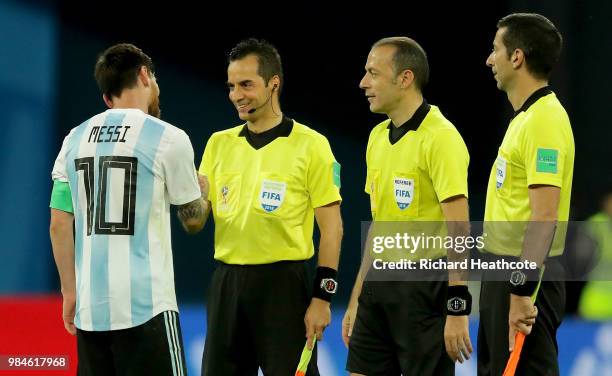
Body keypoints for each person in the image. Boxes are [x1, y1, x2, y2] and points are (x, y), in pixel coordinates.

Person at [49, 43, 207, 376]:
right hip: (147, 310)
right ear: (145, 75)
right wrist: (202, 194)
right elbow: (193, 220)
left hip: (91, 313)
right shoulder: (169, 137)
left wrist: (70, 292)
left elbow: (59, 224)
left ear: (107, 98)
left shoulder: (73, 140)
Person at [198, 38, 343, 376]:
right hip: (226, 284)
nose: (236, 94)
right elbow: (195, 222)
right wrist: (187, 196)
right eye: (232, 86)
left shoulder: (312, 145)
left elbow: (333, 228)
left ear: (273, 83)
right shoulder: (218, 144)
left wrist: (322, 299)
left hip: (284, 287)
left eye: (246, 84)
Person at [343, 36, 472, 376]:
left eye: (373, 73)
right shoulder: (376, 138)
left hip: (425, 288)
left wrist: (458, 309)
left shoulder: (441, 137)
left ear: (405, 78)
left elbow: (459, 228)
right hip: (378, 285)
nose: (363, 83)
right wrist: (357, 296)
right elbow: (378, 227)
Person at [478, 13, 575, 375]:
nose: (490, 59)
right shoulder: (524, 118)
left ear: (517, 57)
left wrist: (520, 292)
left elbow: (544, 216)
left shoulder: (544, 121)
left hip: (523, 280)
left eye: (495, 49)